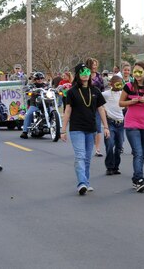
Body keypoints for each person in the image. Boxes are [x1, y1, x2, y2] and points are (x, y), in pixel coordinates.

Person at [60, 63, 110, 195]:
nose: (85, 74)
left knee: (87, 157)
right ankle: (81, 183)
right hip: (76, 128)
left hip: (91, 128)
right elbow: (67, 110)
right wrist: (63, 129)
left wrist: (106, 127)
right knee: (80, 156)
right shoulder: (72, 91)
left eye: (87, 71)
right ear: (77, 74)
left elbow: (101, 109)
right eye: (82, 72)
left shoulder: (95, 91)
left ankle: (86, 182)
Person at [119, 61, 144, 193]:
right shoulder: (129, 87)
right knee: (137, 152)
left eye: (139, 72)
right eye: (135, 71)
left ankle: (136, 178)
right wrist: (131, 101)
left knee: (142, 153)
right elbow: (121, 103)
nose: (137, 74)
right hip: (131, 123)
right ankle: (139, 179)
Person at [103, 75, 125, 176]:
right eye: (117, 83)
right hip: (110, 122)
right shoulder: (106, 94)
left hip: (120, 123)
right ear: (111, 84)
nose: (119, 86)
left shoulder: (123, 94)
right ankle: (109, 167)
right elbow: (97, 97)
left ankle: (116, 166)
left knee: (119, 146)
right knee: (110, 144)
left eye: (121, 84)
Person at [19, 72, 49, 139]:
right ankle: (25, 132)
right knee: (29, 114)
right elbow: (26, 88)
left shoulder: (46, 85)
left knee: (53, 110)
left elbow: (52, 89)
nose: (40, 79)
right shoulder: (32, 85)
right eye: (38, 78)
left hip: (46, 104)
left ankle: (56, 129)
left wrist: (57, 90)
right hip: (35, 104)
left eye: (41, 78)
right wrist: (29, 90)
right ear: (35, 79)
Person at [86, 58, 105, 157]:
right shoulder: (85, 75)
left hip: (97, 104)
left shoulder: (99, 76)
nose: (95, 66)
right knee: (89, 127)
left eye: (96, 65)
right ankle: (88, 145)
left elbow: (102, 90)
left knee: (98, 127)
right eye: (93, 64)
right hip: (86, 105)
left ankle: (97, 149)